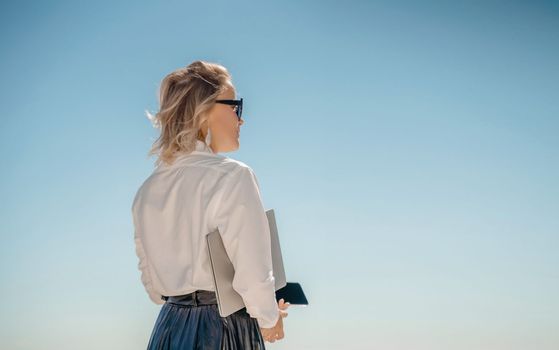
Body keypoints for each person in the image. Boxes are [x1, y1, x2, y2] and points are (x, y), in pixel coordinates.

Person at [131, 60, 290, 349]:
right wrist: (269, 318)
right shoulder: (233, 176)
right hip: (224, 329)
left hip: (168, 328)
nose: (241, 118)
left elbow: (154, 290)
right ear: (204, 111)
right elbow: (253, 275)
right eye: (235, 105)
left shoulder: (146, 192)